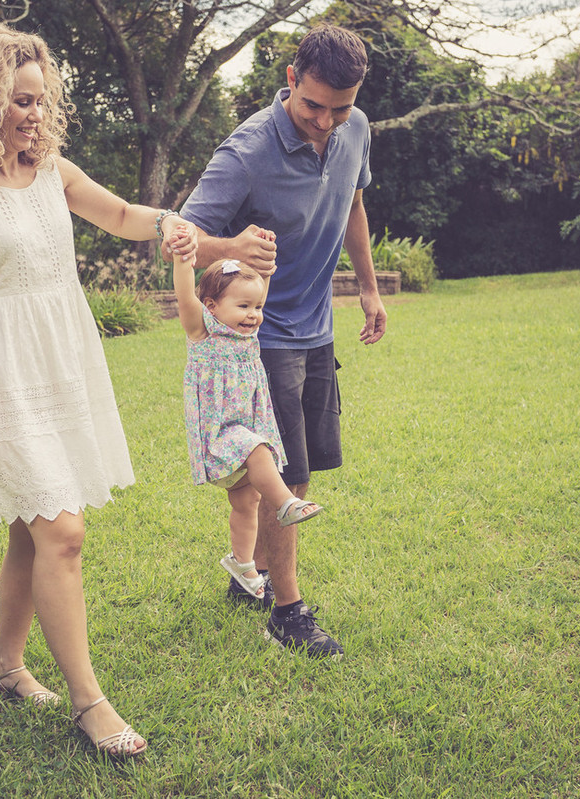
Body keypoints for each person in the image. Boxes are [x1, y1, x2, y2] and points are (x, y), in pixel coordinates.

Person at [0, 22, 193, 758]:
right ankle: (89, 702)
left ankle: (7, 667)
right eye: (19, 100)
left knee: (27, 528)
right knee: (62, 532)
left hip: (61, 367)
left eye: (41, 99)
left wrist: (173, 225)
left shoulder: (54, 173)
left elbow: (125, 217)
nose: (34, 114)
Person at [170, 23, 387, 658]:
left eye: (339, 109)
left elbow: (352, 203)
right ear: (290, 80)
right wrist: (231, 247)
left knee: (305, 466)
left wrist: (368, 288)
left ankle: (252, 578)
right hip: (261, 336)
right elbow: (177, 237)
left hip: (317, 324)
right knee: (286, 474)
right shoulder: (246, 153)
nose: (325, 122)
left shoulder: (357, 129)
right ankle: (287, 612)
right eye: (313, 105)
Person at [170, 223, 324, 605]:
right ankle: (287, 504)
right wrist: (182, 259)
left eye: (257, 308)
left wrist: (266, 266)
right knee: (258, 453)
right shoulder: (202, 332)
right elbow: (184, 294)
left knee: (246, 502)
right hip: (223, 431)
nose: (254, 315)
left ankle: (242, 565)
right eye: (243, 307)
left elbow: (261, 287)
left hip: (249, 423)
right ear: (211, 307)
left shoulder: (246, 334)